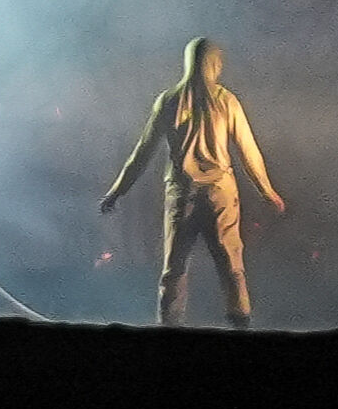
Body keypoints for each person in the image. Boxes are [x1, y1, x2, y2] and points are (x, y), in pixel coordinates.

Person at [101, 36, 287, 328]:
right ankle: (241, 326)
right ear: (214, 64)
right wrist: (267, 191)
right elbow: (249, 152)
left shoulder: (169, 100)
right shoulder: (227, 101)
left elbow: (142, 153)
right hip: (219, 194)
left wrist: (116, 192)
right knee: (231, 267)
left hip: (181, 195)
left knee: (173, 270)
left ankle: (169, 329)